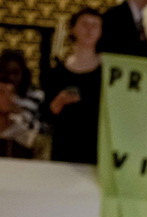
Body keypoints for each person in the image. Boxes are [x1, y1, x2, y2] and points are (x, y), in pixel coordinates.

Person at [44, 8, 104, 164]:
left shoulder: (107, 71)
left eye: (95, 25)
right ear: (73, 28)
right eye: (84, 24)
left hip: (96, 146)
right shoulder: (58, 72)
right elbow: (46, 114)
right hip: (64, 145)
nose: (89, 30)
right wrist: (59, 101)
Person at [0, 49, 45, 136]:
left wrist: (19, 112)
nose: (11, 77)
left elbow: (43, 129)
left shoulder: (37, 96)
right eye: (7, 73)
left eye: (15, 73)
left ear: (23, 73)